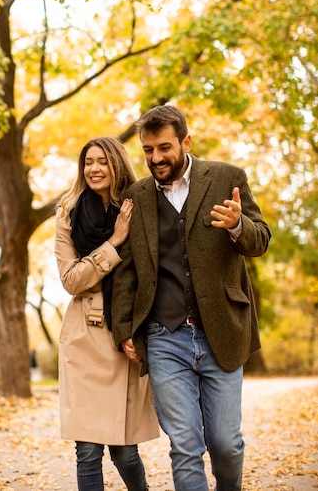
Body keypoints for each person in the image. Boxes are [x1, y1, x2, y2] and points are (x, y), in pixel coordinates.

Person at [111, 105, 271, 491]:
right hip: (164, 337)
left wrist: (238, 226)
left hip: (222, 331)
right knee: (184, 446)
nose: (156, 158)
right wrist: (124, 329)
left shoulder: (227, 179)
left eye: (164, 147)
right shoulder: (138, 197)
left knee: (226, 445)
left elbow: (260, 240)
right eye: (148, 150)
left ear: (186, 141)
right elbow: (127, 271)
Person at [54, 136, 159, 491]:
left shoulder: (143, 205)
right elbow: (71, 280)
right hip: (84, 338)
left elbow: (152, 274)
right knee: (87, 451)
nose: (94, 169)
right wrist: (113, 242)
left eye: (102, 161)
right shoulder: (68, 213)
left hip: (124, 334)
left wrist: (138, 330)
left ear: (116, 164)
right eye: (88, 162)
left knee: (125, 453)